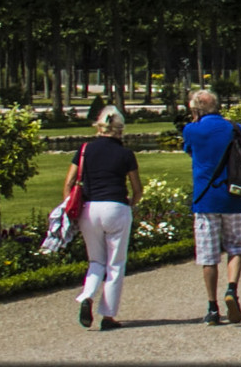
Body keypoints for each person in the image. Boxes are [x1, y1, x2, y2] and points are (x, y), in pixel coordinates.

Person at [181, 89, 241, 326]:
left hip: (205, 200)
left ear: (196, 109)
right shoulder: (234, 128)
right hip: (234, 198)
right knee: (236, 248)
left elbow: (190, 151)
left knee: (208, 256)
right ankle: (231, 290)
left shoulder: (191, 130)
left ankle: (212, 308)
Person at [67, 105, 143, 331]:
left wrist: (71, 210)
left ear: (99, 127)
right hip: (116, 206)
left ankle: (87, 295)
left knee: (96, 261)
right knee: (115, 264)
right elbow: (137, 189)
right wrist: (130, 204)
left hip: (89, 209)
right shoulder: (125, 154)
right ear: (120, 130)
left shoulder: (84, 150)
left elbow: (70, 183)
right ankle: (108, 316)